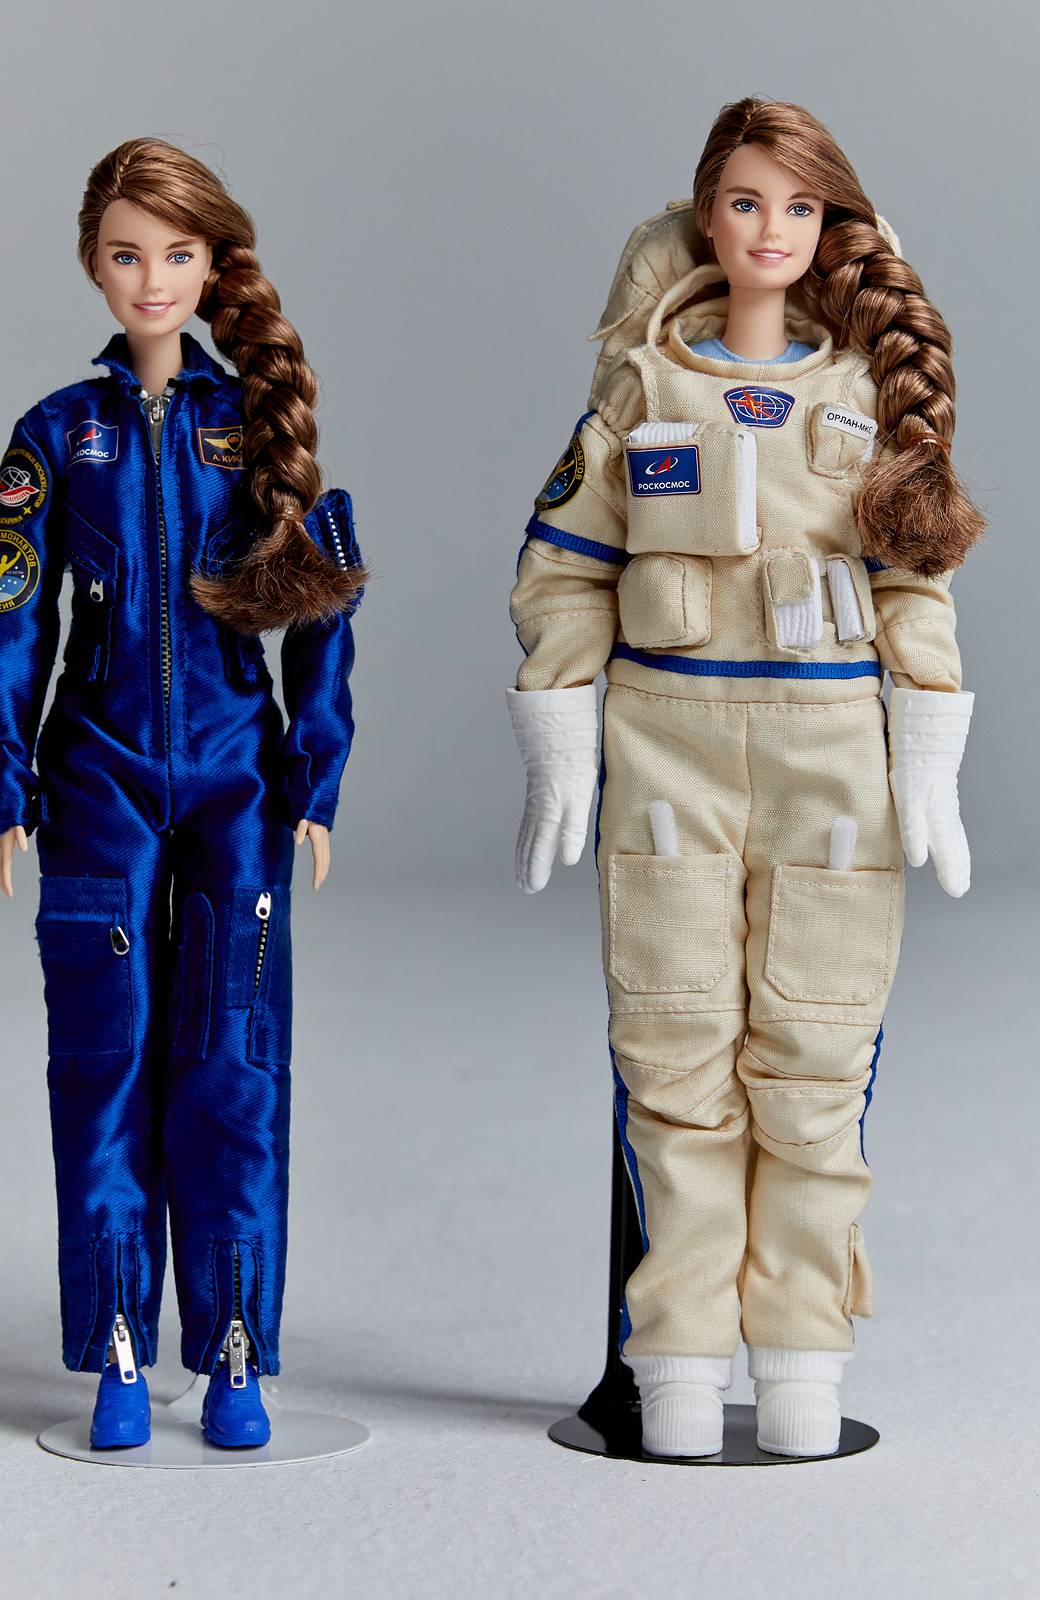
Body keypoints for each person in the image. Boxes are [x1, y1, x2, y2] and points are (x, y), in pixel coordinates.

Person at [508, 98, 980, 1459]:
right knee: (673, 1063)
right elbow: (567, 565)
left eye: (800, 207)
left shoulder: (866, 398)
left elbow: (916, 579)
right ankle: (676, 1362)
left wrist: (929, 741)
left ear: (834, 225)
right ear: (702, 216)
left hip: (831, 757)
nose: (771, 231)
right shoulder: (642, 394)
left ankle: (801, 1361)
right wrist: (559, 722)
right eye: (745, 202)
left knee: (817, 1065)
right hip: (671, 747)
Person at [0, 138, 364, 1450]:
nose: (152, 281)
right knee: (104, 1060)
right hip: (99, 776)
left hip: (239, 779)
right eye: (127, 255)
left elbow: (322, 606)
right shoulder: (55, 435)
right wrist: (6, 779)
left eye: (177, 255)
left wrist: (313, 776)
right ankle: (121, 1346)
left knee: (234, 1061)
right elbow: (8, 617)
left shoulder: (253, 424)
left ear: (212, 265)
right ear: (94, 264)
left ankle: (235, 1338)